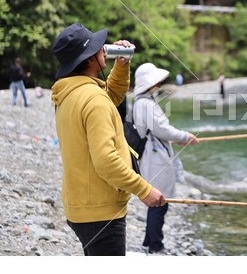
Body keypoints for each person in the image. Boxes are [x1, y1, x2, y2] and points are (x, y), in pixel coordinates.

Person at [51, 23, 166, 256]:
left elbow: (110, 97)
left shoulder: (70, 93)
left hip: (81, 205)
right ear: (90, 59)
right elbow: (106, 160)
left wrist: (121, 66)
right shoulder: (93, 99)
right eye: (98, 48)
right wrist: (144, 190)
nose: (103, 50)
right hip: (100, 212)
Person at [133, 63, 199, 254]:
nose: (159, 84)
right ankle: (156, 246)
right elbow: (162, 129)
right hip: (155, 157)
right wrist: (185, 137)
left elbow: (157, 130)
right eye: (156, 81)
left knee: (156, 200)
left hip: (152, 153)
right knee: (160, 201)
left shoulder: (141, 102)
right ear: (149, 84)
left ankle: (148, 240)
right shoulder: (146, 104)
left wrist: (178, 139)